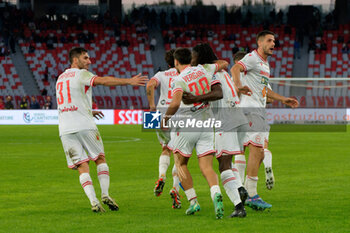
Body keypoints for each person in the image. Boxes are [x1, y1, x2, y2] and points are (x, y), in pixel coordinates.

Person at [57, 47, 148, 212]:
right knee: (100, 158)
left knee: (82, 166)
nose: (89, 61)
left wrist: (89, 110)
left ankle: (94, 202)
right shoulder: (81, 74)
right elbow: (104, 81)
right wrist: (129, 81)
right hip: (85, 125)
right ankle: (105, 194)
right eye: (85, 58)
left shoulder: (60, 78)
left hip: (65, 129)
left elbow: (68, 102)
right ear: (75, 60)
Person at [230, 30, 299, 210]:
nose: (273, 44)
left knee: (257, 152)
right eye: (269, 40)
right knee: (256, 150)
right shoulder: (252, 58)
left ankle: (242, 190)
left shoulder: (264, 65)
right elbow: (235, 68)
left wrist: (283, 99)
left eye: (274, 41)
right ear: (260, 43)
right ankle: (251, 194)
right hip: (250, 110)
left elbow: (264, 90)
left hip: (254, 110)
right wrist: (238, 84)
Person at [182, 44, 248, 218]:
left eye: (194, 55)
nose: (192, 59)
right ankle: (240, 187)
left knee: (223, 166)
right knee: (228, 159)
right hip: (239, 118)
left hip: (225, 122)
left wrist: (195, 98)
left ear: (200, 57)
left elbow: (217, 93)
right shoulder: (223, 72)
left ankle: (239, 206)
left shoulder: (207, 72)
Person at [162, 48, 228, 219]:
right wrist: (217, 65)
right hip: (207, 123)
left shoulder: (178, 79)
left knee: (180, 163)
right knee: (206, 166)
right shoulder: (203, 69)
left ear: (176, 62)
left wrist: (165, 120)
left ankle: (193, 202)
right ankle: (215, 193)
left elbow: (176, 103)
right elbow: (223, 64)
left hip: (187, 124)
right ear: (190, 59)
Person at [146, 49, 181, 209]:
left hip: (157, 113)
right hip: (177, 113)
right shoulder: (185, 74)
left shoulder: (160, 75)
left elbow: (149, 85)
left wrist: (152, 106)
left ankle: (161, 175)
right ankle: (175, 188)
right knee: (180, 155)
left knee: (164, 148)